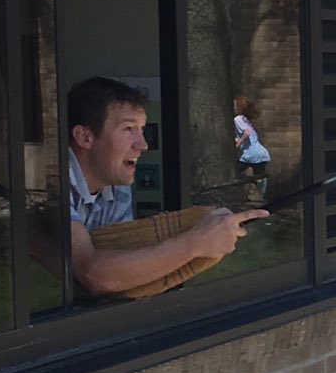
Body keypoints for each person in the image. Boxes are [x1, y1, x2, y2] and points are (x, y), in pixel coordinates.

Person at [67, 76, 267, 296]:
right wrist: (195, 243)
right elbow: (96, 276)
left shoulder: (116, 187)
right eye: (128, 129)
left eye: (142, 129)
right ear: (85, 137)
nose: (143, 145)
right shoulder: (55, 183)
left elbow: (122, 270)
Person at [233, 95, 270, 198]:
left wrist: (238, 143)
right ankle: (261, 197)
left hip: (251, 154)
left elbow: (247, 133)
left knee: (233, 172)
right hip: (261, 153)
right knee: (260, 178)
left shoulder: (238, 119)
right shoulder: (246, 120)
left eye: (235, 105)